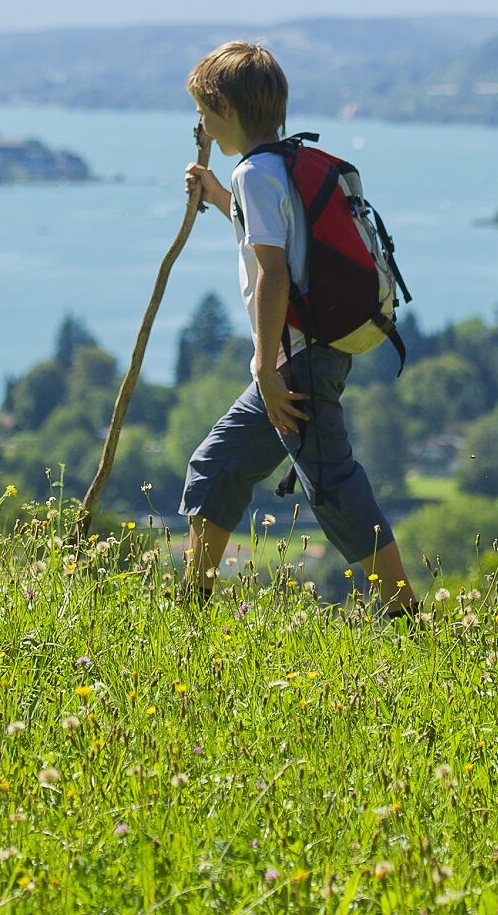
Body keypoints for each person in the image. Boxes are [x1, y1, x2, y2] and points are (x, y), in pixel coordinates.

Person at [174, 41, 416, 614]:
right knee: (218, 465)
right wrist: (217, 193)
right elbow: (287, 236)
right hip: (311, 351)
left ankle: (408, 619)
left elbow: (274, 274)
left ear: (226, 112)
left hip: (292, 361)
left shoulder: (253, 175)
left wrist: (264, 365)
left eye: (205, 112)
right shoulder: (282, 163)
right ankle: (189, 607)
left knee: (333, 487)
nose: (201, 123)